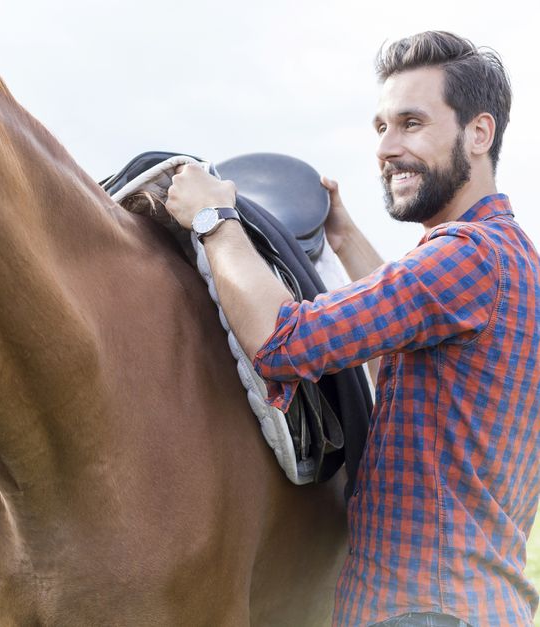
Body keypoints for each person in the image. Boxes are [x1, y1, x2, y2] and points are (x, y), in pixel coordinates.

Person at [165, 31, 540, 627]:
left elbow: (285, 341)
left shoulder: (467, 257)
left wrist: (215, 220)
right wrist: (340, 237)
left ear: (478, 133)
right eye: (380, 127)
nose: (387, 147)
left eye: (412, 123)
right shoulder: (510, 261)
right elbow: (407, 332)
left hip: (421, 614)